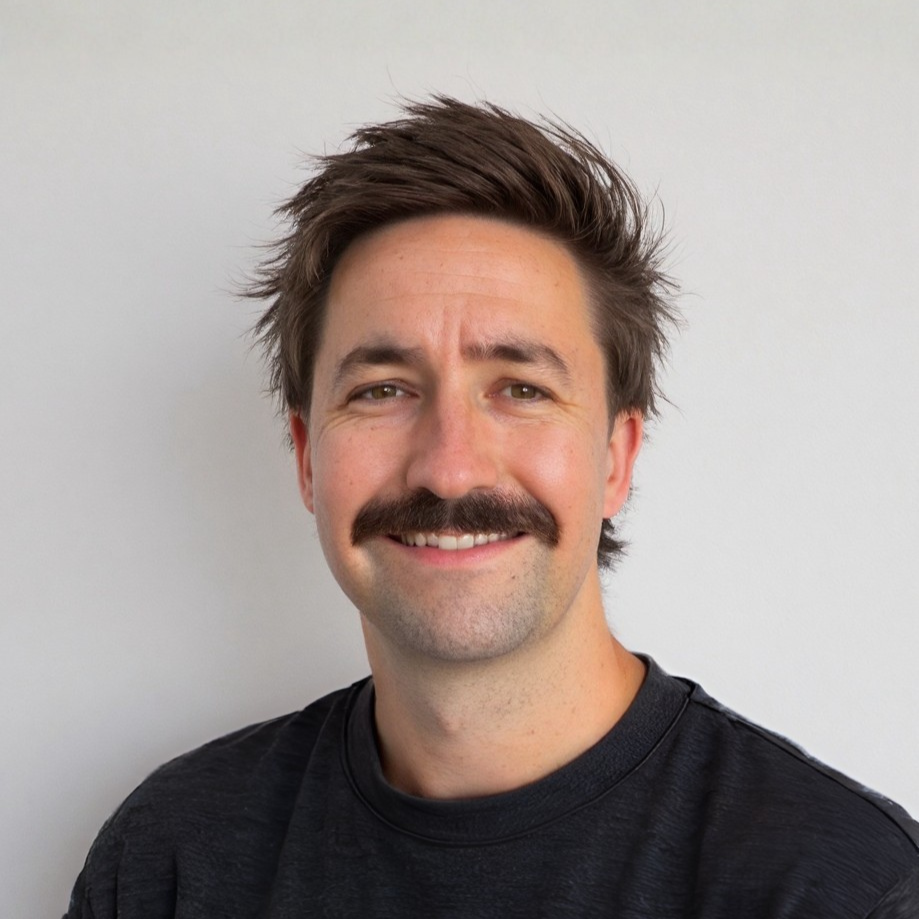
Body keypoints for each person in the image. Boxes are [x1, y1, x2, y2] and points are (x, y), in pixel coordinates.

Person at [65, 96, 918, 918]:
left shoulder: (838, 885)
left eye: (519, 387)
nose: (447, 467)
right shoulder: (169, 860)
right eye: (383, 389)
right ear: (306, 458)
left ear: (616, 456)